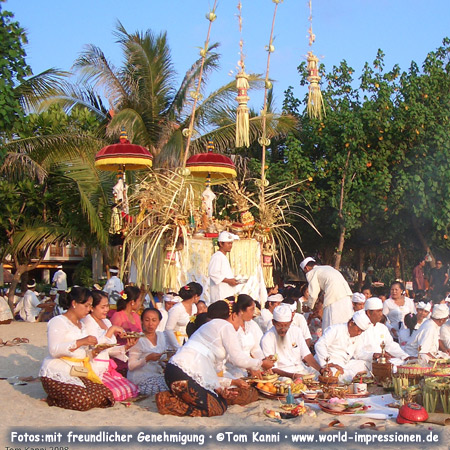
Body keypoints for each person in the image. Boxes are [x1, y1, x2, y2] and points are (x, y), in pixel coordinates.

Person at [155, 300, 274, 417]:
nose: (241, 324)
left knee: (222, 402)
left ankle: (177, 395)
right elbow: (238, 359)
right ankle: (167, 401)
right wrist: (261, 363)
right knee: (217, 407)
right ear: (233, 316)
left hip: (175, 373)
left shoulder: (213, 327)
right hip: (181, 372)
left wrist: (221, 389)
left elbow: (211, 372)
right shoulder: (225, 325)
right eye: (240, 319)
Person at [39, 287, 115, 411]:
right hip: (57, 371)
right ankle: (53, 399)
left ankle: (63, 396)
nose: (89, 310)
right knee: (83, 400)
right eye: (86, 306)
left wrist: (94, 352)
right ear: (74, 303)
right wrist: (81, 342)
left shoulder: (82, 325)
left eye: (90, 306)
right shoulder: (58, 321)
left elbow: (83, 353)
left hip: (77, 371)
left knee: (107, 396)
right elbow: (54, 350)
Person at [81, 290, 138, 401]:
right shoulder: (88, 321)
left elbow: (110, 349)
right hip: (94, 366)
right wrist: (111, 331)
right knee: (112, 393)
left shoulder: (106, 322)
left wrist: (126, 347)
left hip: (106, 367)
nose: (106, 310)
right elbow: (96, 345)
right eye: (103, 307)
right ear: (92, 308)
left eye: (107, 306)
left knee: (130, 388)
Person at [261, 304, 323, 379]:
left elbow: (306, 355)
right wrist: (293, 376)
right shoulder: (267, 339)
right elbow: (273, 368)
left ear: (290, 322)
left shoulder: (296, 331)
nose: (283, 329)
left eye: (286, 325)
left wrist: (321, 370)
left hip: (301, 369)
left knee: (321, 374)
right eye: (280, 325)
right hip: (283, 375)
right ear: (273, 322)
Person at [314, 310, 372, 382]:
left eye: (362, 331)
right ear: (351, 323)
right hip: (328, 364)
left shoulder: (357, 336)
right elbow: (319, 345)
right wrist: (328, 364)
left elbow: (358, 354)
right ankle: (349, 377)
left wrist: (373, 355)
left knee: (366, 364)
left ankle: (349, 377)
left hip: (344, 364)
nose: (359, 333)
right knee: (333, 372)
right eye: (359, 330)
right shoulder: (335, 329)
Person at [355, 297, 409, 369]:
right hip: (365, 361)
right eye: (378, 311)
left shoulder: (382, 327)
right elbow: (357, 353)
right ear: (368, 313)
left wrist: (405, 356)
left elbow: (390, 345)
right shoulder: (359, 328)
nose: (381, 314)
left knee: (402, 363)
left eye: (381, 311)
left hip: (380, 362)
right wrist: (373, 355)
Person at [300, 257, 353, 330]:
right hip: (346, 295)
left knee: (331, 326)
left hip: (333, 298)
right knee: (345, 324)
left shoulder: (312, 272)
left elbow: (313, 293)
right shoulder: (327, 268)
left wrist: (309, 307)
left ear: (306, 268)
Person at [127, 308, 169, 395]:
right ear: (142, 321)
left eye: (154, 320)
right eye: (147, 320)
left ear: (159, 322)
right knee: (161, 389)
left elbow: (163, 359)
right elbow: (131, 366)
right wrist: (147, 359)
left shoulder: (161, 336)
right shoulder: (138, 339)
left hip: (156, 374)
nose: (150, 324)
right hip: (141, 377)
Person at [224, 294, 264, 379]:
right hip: (232, 370)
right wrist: (251, 366)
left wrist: (262, 362)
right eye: (251, 309)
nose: (253, 313)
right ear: (241, 311)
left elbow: (256, 349)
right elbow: (230, 357)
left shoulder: (252, 325)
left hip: (250, 368)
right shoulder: (229, 327)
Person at [110, 286, 143, 375]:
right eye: (139, 300)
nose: (140, 303)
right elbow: (110, 338)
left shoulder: (136, 316)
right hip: (120, 356)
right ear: (132, 302)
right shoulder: (118, 316)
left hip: (134, 354)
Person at [208, 231, 240, 303]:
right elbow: (213, 273)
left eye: (231, 243)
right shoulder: (217, 256)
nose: (230, 245)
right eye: (228, 243)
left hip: (226, 293)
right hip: (220, 294)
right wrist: (229, 281)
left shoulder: (222, 257)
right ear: (221, 244)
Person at [165, 285, 198, 349]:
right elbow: (168, 329)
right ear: (194, 296)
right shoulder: (176, 309)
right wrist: (177, 347)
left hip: (188, 341)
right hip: (176, 341)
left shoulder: (194, 307)